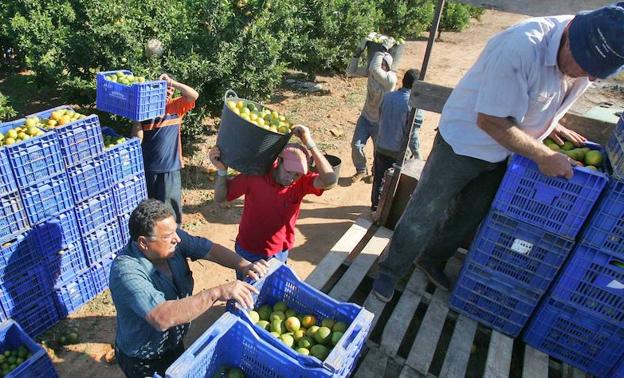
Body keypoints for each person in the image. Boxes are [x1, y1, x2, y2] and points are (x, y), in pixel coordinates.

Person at [371, 3, 624, 302]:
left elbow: (544, 91)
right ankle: (389, 271)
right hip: (465, 143)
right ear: (570, 36)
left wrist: (549, 121)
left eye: (597, 75)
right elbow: (490, 120)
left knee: (470, 214)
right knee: (426, 210)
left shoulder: (585, 53)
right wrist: (542, 154)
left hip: (508, 152)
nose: (590, 79)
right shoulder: (521, 47)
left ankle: (430, 259)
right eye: (586, 68)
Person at [109, 199, 268, 378]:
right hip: (144, 360)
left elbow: (210, 250)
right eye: (168, 236)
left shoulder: (173, 241)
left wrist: (244, 265)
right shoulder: (125, 272)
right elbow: (162, 317)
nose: (177, 238)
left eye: (175, 231)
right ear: (144, 243)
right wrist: (217, 293)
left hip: (173, 344)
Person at [209, 125, 337, 278]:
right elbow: (220, 197)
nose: (291, 178)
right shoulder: (256, 176)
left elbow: (330, 180)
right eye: (288, 171)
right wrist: (222, 171)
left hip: (278, 252)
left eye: (296, 174)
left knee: (272, 293)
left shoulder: (301, 183)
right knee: (247, 293)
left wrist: (309, 143)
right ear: (279, 161)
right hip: (248, 250)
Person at [132, 74, 199, 225]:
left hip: (170, 167)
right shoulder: (145, 111)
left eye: (170, 89)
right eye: (164, 88)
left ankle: (175, 241)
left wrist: (172, 82)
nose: (168, 91)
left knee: (171, 211)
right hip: (148, 168)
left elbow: (193, 95)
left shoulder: (176, 107)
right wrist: (136, 119)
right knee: (151, 210)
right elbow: (136, 140)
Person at [371, 68, 422, 212]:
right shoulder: (413, 106)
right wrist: (417, 155)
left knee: (379, 179)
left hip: (381, 146)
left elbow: (380, 118)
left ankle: (375, 207)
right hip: (397, 152)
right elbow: (412, 134)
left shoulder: (387, 97)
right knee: (394, 183)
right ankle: (385, 211)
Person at [347, 38, 398, 183]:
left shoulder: (390, 79)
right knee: (356, 145)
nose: (379, 66)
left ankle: (376, 173)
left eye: (383, 64)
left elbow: (374, 68)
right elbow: (352, 71)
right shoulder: (372, 73)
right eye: (379, 63)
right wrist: (357, 54)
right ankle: (361, 170)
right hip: (365, 117)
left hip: (380, 122)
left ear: (388, 66)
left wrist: (382, 49)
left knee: (379, 151)